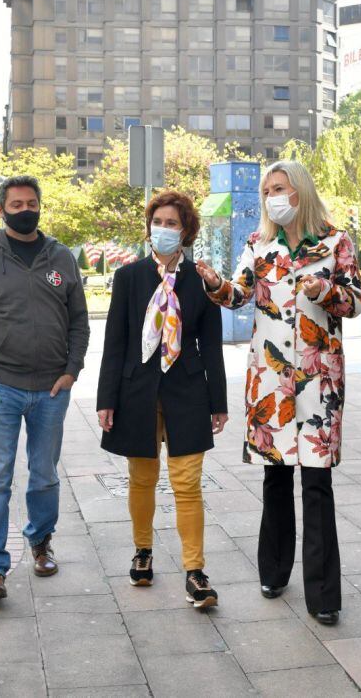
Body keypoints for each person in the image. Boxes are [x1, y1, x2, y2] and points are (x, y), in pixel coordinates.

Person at [196, 161, 361, 626]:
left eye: (280, 187)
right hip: (270, 383)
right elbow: (238, 295)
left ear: (300, 191)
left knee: (316, 483)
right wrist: (215, 284)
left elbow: (355, 302)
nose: (272, 195)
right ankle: (273, 571)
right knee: (275, 480)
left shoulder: (336, 240)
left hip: (319, 382)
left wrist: (325, 288)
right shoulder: (259, 244)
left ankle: (325, 595)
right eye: (268, 188)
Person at [97, 190, 228, 609]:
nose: (163, 229)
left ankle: (195, 571)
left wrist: (219, 402)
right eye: (158, 221)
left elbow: (212, 346)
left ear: (186, 231)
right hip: (136, 390)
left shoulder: (201, 281)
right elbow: (114, 342)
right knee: (142, 477)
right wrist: (106, 399)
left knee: (187, 482)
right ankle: (143, 552)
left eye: (172, 223)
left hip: (187, 391)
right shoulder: (129, 277)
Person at [0, 175, 90, 600]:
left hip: (51, 391)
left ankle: (41, 543)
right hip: (0, 387)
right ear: (0, 210)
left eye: (32, 202)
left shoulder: (61, 256)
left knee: (43, 475)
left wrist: (72, 369)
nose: (26, 210)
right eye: (17, 204)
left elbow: (79, 320)